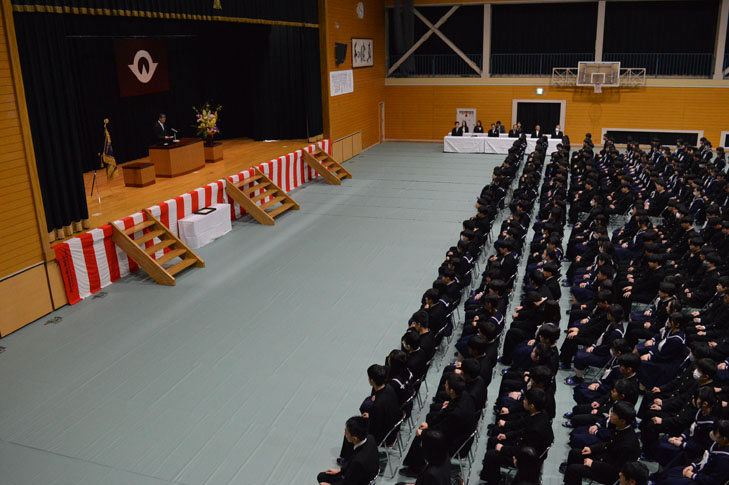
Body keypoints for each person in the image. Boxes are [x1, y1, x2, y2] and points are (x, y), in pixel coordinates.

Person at [317, 416, 378, 485]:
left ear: (355, 439)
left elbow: (348, 483)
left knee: (321, 478)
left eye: (346, 433)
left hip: (360, 481)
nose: (344, 434)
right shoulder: (370, 438)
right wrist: (341, 470)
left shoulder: (358, 462)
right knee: (322, 476)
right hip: (364, 475)